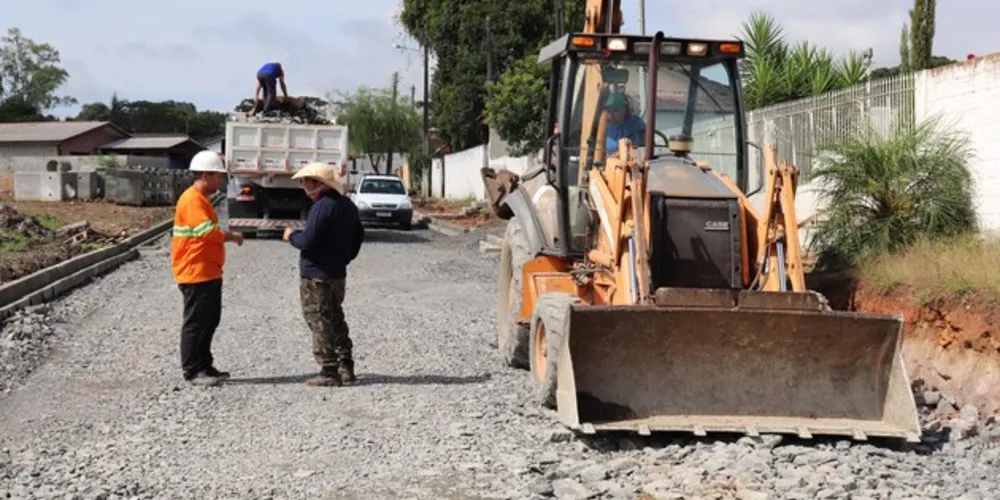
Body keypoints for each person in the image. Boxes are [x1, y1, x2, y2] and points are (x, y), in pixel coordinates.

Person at [283, 162, 365, 387]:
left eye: (306, 181)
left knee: (319, 318)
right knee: (335, 316)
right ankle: (345, 364)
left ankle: (329, 369)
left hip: (316, 275)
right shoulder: (347, 206)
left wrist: (291, 236)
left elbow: (307, 241)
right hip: (337, 274)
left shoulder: (321, 207)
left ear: (318, 183)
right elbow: (359, 236)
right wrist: (345, 258)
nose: (303, 185)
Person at [171, 151, 244, 386]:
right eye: (217, 176)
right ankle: (193, 370)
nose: (221, 181)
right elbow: (206, 232)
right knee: (196, 321)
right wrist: (232, 236)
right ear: (205, 175)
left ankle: (205, 365)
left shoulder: (202, 200)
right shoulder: (192, 200)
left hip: (207, 270)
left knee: (210, 319)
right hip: (194, 271)